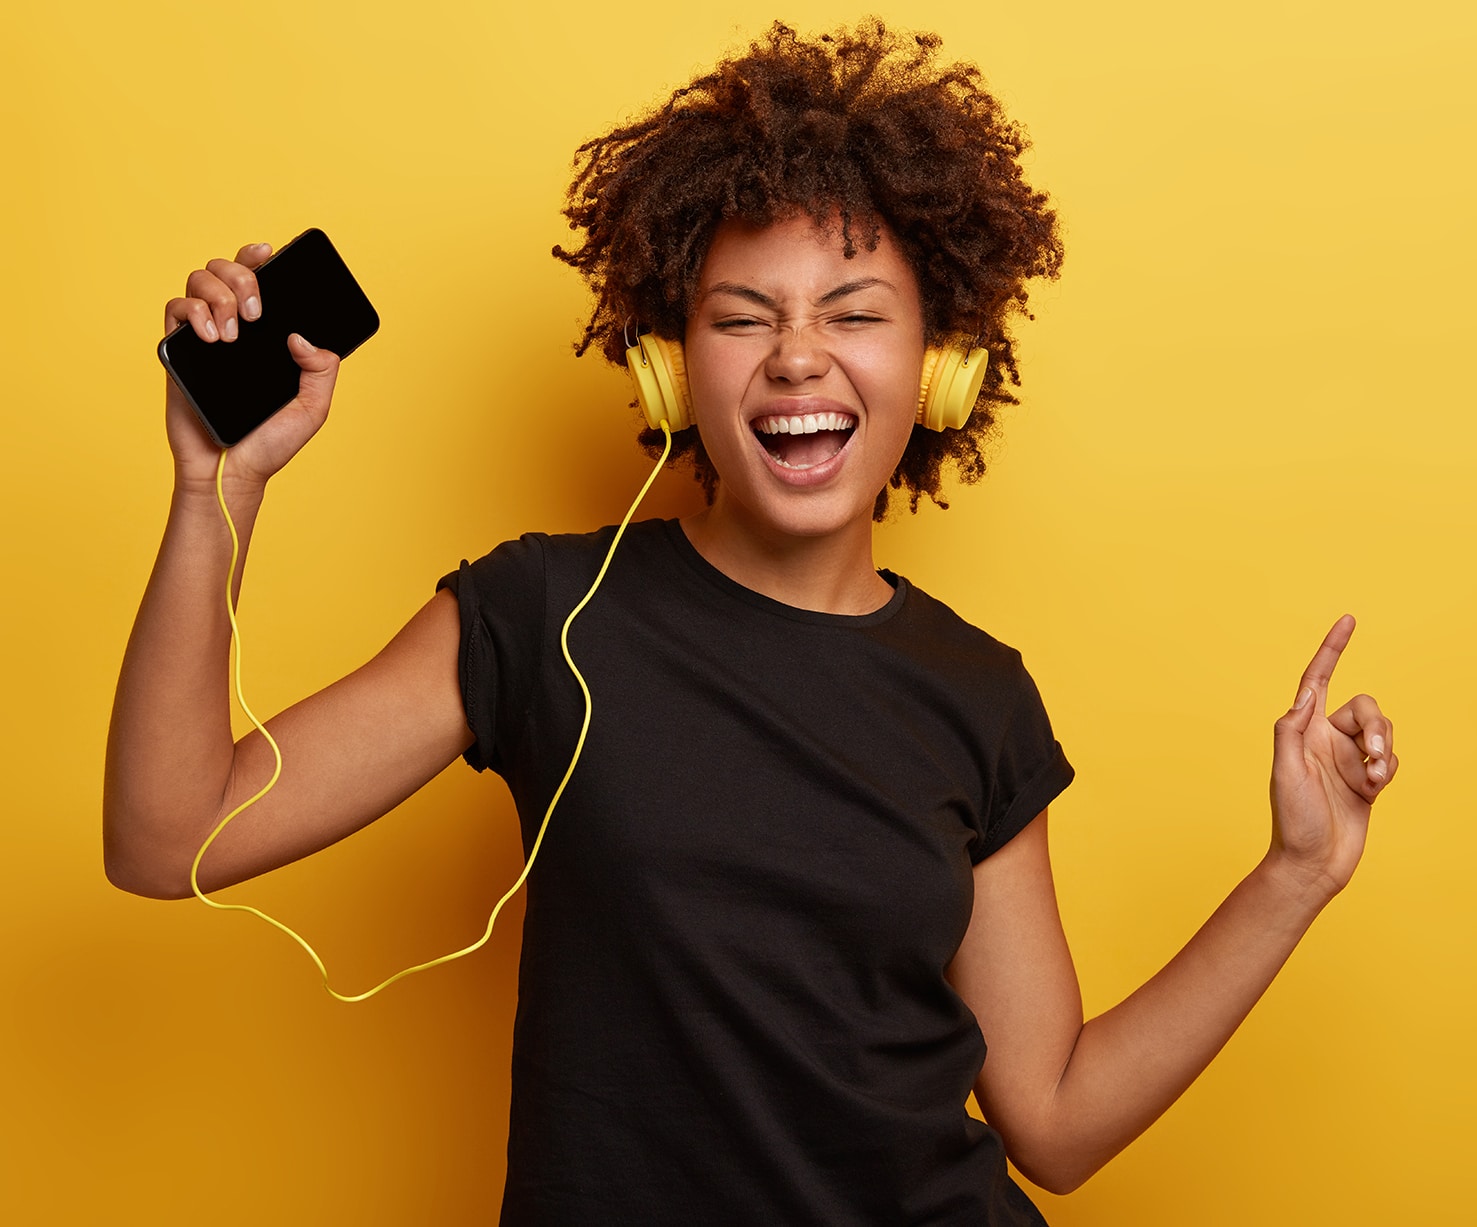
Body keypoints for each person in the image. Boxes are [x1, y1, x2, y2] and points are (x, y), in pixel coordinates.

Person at [104, 20, 1398, 1226]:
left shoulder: (980, 693)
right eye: (743, 318)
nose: (795, 358)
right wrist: (218, 484)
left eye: (852, 314)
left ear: (939, 368)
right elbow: (167, 837)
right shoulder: (542, 615)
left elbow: (1052, 1122)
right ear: (671, 366)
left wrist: (1294, 875)